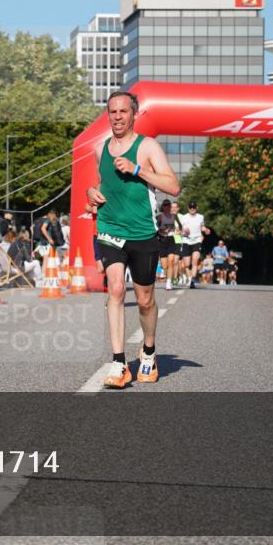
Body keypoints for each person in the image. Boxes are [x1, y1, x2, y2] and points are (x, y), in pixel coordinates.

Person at [87, 91, 180, 389]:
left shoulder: (147, 146)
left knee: (144, 300)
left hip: (142, 233)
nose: (116, 117)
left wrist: (138, 169)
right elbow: (101, 187)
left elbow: (173, 186)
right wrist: (92, 194)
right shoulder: (100, 150)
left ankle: (149, 351)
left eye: (122, 111)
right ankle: (118, 361)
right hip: (110, 228)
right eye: (112, 111)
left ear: (134, 114)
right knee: (115, 289)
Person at [178, 201, 210, 289]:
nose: (192, 209)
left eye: (194, 207)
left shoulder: (200, 217)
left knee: (195, 260)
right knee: (187, 264)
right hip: (186, 241)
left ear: (197, 208)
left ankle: (191, 280)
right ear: (188, 208)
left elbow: (202, 227)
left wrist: (205, 230)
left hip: (197, 240)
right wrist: (184, 231)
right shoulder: (184, 217)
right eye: (190, 207)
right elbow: (179, 230)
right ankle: (189, 277)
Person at [156, 199, 180, 290]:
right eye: (165, 205)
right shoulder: (160, 217)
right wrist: (162, 230)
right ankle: (167, 276)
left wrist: (179, 230)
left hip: (171, 239)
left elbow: (180, 226)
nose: (167, 207)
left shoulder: (174, 216)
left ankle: (169, 282)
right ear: (163, 207)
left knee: (171, 261)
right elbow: (155, 229)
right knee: (164, 265)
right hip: (162, 240)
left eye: (168, 205)